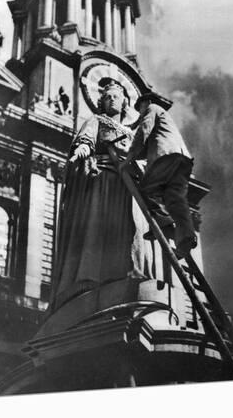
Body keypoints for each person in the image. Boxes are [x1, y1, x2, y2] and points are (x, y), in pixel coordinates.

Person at [49, 81, 149, 313]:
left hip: (126, 188)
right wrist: (81, 151)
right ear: (101, 102)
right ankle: (91, 278)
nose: (112, 99)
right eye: (107, 97)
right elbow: (85, 141)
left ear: (124, 101)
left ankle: (126, 275)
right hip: (103, 182)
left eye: (116, 96)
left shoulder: (132, 133)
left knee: (127, 232)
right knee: (98, 228)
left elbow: (142, 158)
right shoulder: (97, 121)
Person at [120, 92, 197, 259]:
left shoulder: (152, 108)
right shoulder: (166, 119)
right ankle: (186, 239)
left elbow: (144, 131)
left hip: (166, 157)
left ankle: (164, 224)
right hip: (182, 160)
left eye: (140, 108)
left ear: (145, 102)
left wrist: (129, 157)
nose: (140, 113)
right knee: (176, 200)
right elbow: (149, 144)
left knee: (147, 188)